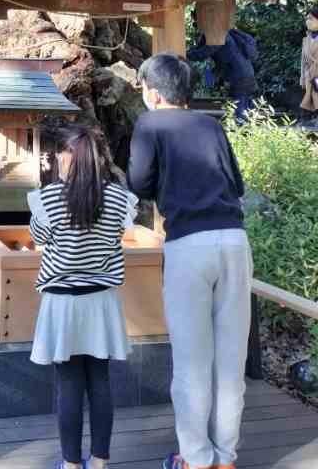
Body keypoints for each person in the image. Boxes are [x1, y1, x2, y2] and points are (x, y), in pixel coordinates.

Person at [128, 54, 250, 469]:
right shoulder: (211, 125)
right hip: (234, 240)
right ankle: (225, 457)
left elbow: (138, 183)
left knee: (192, 360)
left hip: (189, 245)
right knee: (230, 359)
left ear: (154, 93)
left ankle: (196, 459)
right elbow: (237, 183)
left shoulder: (150, 124)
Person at [28, 124, 138, 469]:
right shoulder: (121, 198)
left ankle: (72, 463)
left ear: (65, 156)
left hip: (62, 303)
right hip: (101, 299)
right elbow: (120, 234)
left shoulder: (46, 197)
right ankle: (100, 460)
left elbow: (39, 238)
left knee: (69, 385)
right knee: (100, 381)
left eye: (57, 154)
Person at [187, 28, 258, 123]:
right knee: (245, 105)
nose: (195, 24)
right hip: (247, 73)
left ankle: (243, 131)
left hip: (239, 76)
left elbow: (204, 53)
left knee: (239, 106)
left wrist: (184, 54)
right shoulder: (224, 33)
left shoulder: (218, 35)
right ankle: (250, 130)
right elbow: (202, 49)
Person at [300, 7, 318, 116]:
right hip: (309, 74)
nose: (308, 21)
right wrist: (302, 77)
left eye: (311, 18)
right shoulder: (305, 39)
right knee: (311, 98)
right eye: (307, 18)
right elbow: (303, 61)